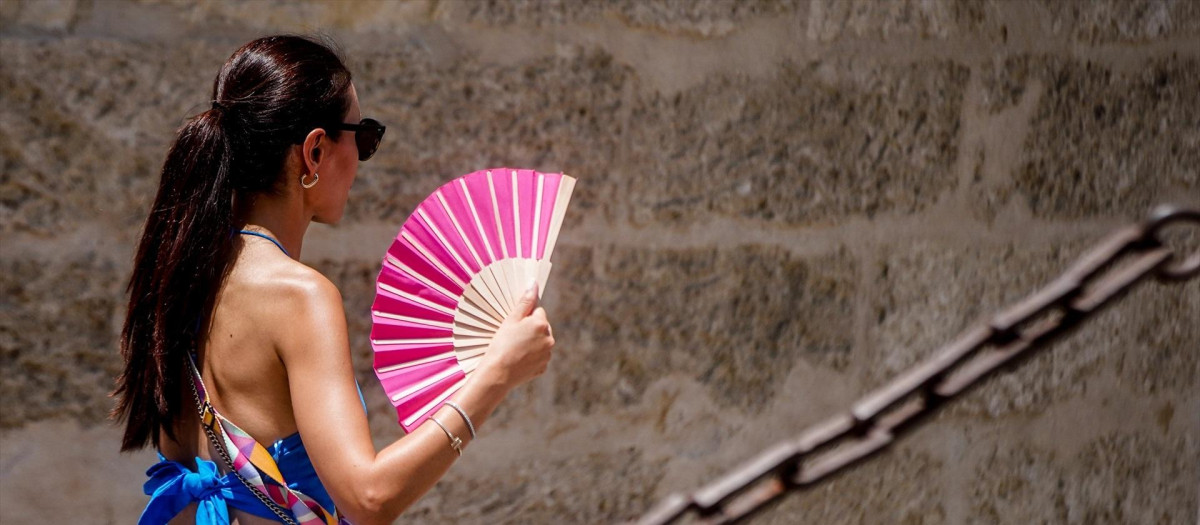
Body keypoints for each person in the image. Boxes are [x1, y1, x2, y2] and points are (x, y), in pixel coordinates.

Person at [112, 35, 555, 525]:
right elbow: (368, 498)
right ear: (315, 152)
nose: (364, 160)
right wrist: (497, 373)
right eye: (363, 137)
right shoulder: (299, 297)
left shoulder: (184, 277)